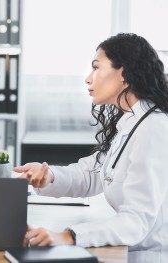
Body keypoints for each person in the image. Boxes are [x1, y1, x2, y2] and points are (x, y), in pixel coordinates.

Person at [14, 33, 168, 263]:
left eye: (97, 68)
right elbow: (93, 173)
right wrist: (49, 176)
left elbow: (136, 221)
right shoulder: (131, 121)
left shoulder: (153, 127)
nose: (88, 78)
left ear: (124, 74)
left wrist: (68, 236)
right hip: (132, 252)